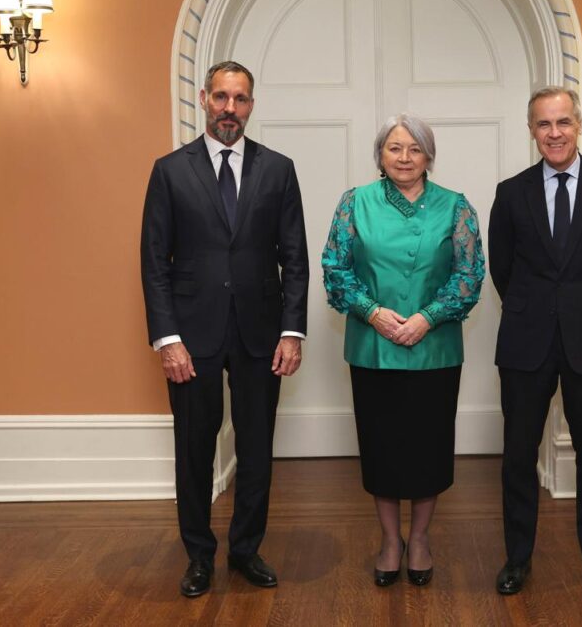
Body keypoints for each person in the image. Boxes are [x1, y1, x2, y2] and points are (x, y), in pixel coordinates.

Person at [140, 60, 309, 598]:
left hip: (262, 334)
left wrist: (292, 331)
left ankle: (245, 550)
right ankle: (197, 556)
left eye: (240, 99)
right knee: (194, 447)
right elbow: (153, 261)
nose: (229, 109)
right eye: (221, 97)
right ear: (204, 100)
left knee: (257, 446)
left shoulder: (278, 169)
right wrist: (168, 339)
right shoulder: (170, 170)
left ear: (252, 105)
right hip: (192, 336)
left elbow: (295, 258)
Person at [322, 114, 485, 587]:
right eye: (395, 148)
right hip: (373, 349)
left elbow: (469, 274)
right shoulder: (355, 203)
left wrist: (427, 318)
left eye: (415, 149)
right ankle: (390, 540)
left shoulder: (456, 207)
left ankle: (420, 538)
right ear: (380, 155)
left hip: (435, 351)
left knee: (429, 450)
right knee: (382, 449)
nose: (405, 158)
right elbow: (335, 269)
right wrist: (373, 312)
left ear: (428, 155)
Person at [488, 87, 582, 600]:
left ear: (579, 125)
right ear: (532, 130)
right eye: (544, 124)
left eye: (563, 122)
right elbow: (501, 268)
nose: (555, 133)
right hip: (526, 342)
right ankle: (517, 558)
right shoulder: (511, 192)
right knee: (517, 456)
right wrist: (537, 307)